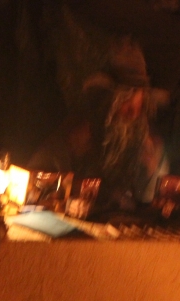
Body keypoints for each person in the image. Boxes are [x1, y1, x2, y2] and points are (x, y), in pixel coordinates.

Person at [29, 38, 169, 215]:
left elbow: (151, 205)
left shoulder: (151, 145)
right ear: (109, 101)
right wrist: (69, 164)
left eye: (139, 104)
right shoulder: (80, 130)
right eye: (126, 102)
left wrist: (151, 172)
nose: (133, 113)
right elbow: (35, 181)